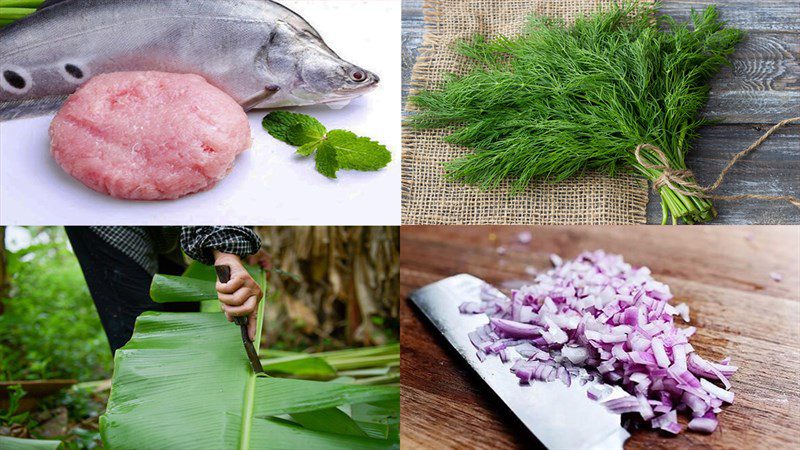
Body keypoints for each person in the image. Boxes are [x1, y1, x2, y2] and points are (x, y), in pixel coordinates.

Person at [65, 226, 263, 354]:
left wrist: (232, 251)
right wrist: (227, 251)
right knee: (139, 337)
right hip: (106, 220)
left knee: (184, 320)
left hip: (172, 220)